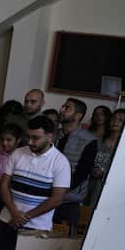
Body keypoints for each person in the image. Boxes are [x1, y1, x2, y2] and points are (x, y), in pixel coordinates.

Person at [0, 115, 70, 250]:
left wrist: (25, 217)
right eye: (28, 137)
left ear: (50, 137)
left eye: (35, 138)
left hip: (37, 227)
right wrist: (14, 212)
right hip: (8, 220)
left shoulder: (60, 162)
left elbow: (57, 199)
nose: (30, 142)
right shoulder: (18, 153)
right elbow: (4, 184)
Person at [54, 98, 98, 231]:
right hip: (45, 195)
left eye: (67, 108)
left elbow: (82, 172)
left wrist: (59, 192)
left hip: (69, 200)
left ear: (78, 116)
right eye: (63, 106)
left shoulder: (89, 140)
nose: (62, 110)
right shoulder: (53, 134)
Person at [0, 123, 24, 211]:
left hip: (8, 199)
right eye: (2, 139)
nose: (4, 143)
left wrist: (0, 191)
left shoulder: (21, 158)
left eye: (9, 140)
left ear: (18, 140)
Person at [89, 110, 123, 207]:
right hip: (90, 185)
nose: (115, 122)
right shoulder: (98, 141)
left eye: (120, 120)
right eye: (113, 119)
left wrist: (104, 173)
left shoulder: (123, 147)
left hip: (110, 190)